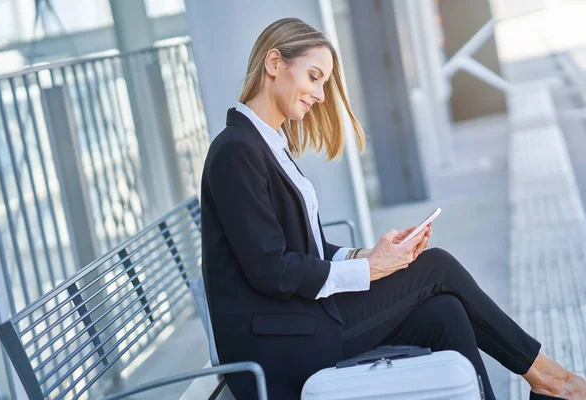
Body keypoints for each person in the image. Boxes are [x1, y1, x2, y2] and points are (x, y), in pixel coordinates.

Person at [200, 17, 586, 400]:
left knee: (445, 312)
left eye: (324, 82)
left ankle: (543, 382)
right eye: (314, 76)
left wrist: (371, 255)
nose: (320, 94)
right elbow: (271, 270)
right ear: (274, 64)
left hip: (301, 321)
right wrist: (369, 270)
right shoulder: (236, 151)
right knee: (437, 266)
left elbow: (306, 250)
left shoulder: (269, 144)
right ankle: (552, 379)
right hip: (279, 345)